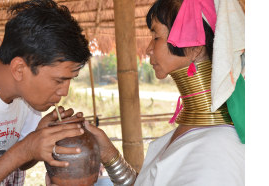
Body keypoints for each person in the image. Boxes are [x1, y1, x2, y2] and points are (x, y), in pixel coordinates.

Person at [85, 0, 245, 185]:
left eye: (156, 37)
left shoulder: (217, 151)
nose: (148, 49)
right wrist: (110, 155)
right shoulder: (198, 134)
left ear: (194, 47)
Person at [0, 0, 91, 185]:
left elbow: (22, 163)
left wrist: (37, 140)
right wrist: (24, 149)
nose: (64, 91)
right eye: (59, 80)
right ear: (19, 69)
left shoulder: (24, 96)